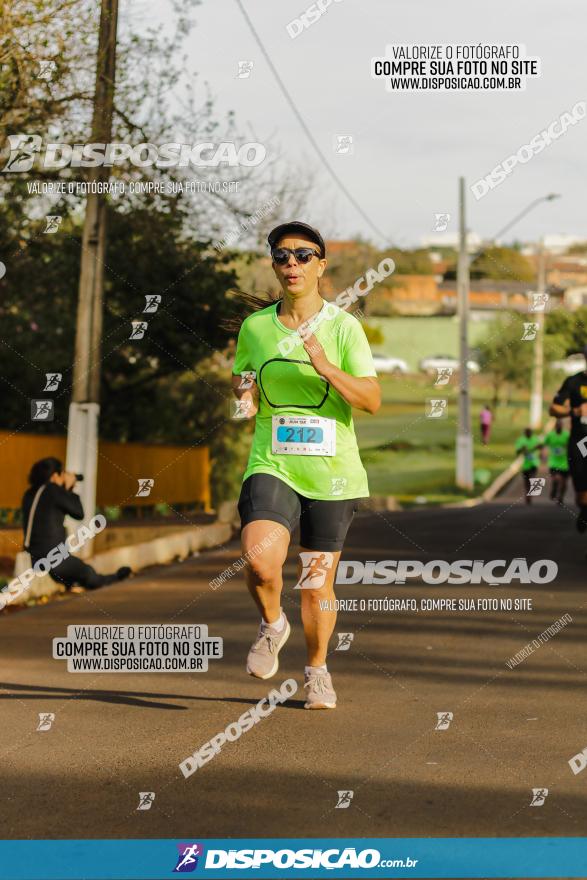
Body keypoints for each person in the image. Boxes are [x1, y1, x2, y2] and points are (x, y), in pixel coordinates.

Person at [231, 221, 380, 709]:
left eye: (302, 255)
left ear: (321, 264)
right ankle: (273, 622)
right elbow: (246, 402)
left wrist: (327, 368)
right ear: (274, 265)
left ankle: (317, 670)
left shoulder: (343, 328)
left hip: (332, 475)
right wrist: (243, 399)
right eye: (281, 255)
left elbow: (372, 400)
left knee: (317, 581)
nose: (291, 263)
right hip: (272, 462)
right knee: (259, 558)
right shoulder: (255, 328)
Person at [21, 457, 132, 592]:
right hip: (55, 561)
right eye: (63, 474)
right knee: (88, 572)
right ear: (55, 476)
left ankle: (72, 584)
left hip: (33, 557)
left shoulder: (30, 493)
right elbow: (78, 513)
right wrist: (69, 488)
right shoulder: (53, 490)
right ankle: (115, 578)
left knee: (73, 570)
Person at [549, 345, 587, 530]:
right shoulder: (573, 382)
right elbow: (553, 409)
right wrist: (575, 411)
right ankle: (584, 509)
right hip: (580, 441)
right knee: (582, 493)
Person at [543, 419, 570, 503]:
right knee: (556, 479)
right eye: (557, 425)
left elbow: (572, 446)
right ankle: (554, 489)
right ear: (555, 426)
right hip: (553, 461)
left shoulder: (567, 435)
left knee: (564, 483)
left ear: (562, 426)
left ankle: (561, 497)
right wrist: (542, 454)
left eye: (560, 425)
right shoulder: (550, 435)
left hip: (565, 462)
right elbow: (544, 444)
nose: (558, 426)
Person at [514, 428, 543, 504]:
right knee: (526, 481)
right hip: (525, 464)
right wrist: (522, 449)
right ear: (525, 433)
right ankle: (528, 493)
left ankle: (529, 495)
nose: (529, 434)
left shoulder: (535, 439)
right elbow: (517, 451)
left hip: (534, 463)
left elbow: (541, 447)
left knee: (531, 478)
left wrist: (539, 449)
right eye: (527, 433)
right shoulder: (521, 440)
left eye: (530, 433)